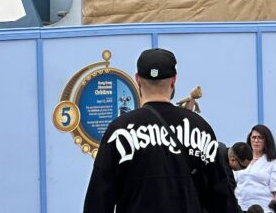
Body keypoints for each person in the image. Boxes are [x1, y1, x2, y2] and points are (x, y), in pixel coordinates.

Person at [83, 48, 239, 213]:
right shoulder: (200, 128)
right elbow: (222, 198)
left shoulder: (119, 129)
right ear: (173, 80)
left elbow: (99, 198)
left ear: (138, 80)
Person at [236, 125, 276, 212]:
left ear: (266, 141)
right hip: (240, 209)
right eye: (254, 137)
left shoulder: (274, 163)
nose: (256, 140)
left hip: (264, 210)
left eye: (260, 138)